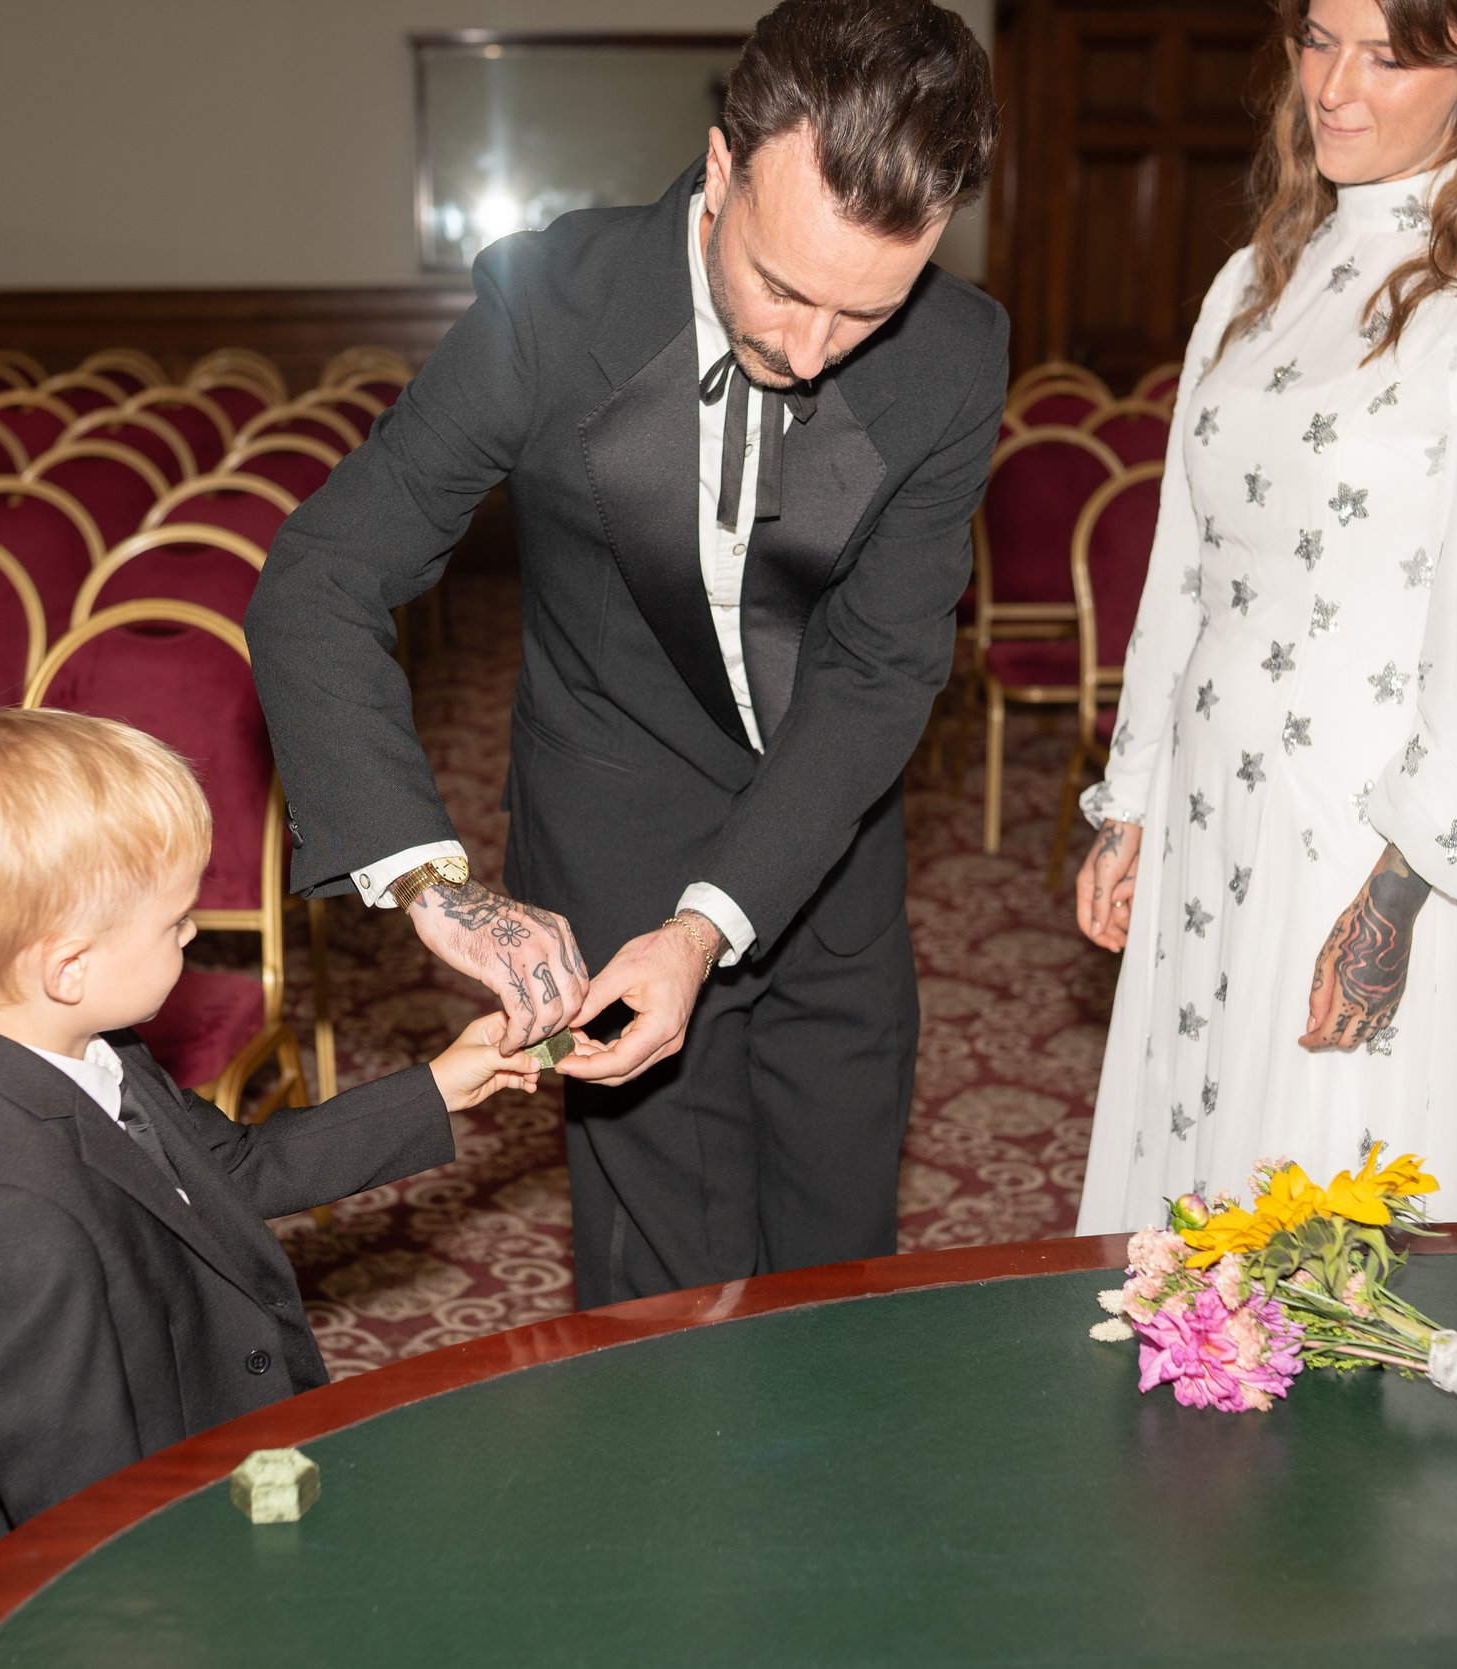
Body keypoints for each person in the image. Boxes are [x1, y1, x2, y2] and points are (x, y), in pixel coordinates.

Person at [248, 0, 1005, 1308]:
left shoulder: (953, 352)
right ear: (721, 167)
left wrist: (710, 925)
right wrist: (429, 881)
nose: (810, 354)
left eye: (864, 313)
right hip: (603, 861)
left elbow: (879, 672)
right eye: (784, 288)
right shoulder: (554, 303)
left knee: (847, 1300)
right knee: (665, 1323)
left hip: (822, 862)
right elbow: (322, 574)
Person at [1071, 0, 1457, 1231]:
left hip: (1363, 842)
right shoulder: (1251, 279)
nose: (1333, 86)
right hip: (1211, 815)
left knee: (1318, 1216)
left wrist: (1397, 892)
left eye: (1386, 56)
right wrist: (1131, 799)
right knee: (1185, 1194)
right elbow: (1186, 560)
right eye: (1317, 39)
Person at [0, 708, 530, 1545]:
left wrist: (439, 1085)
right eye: (174, 922)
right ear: (69, 966)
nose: (193, 933)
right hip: (162, 1545)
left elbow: (236, 1166)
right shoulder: (0, 1205)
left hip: (234, 1464)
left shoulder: (91, 1043)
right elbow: (71, 1498)